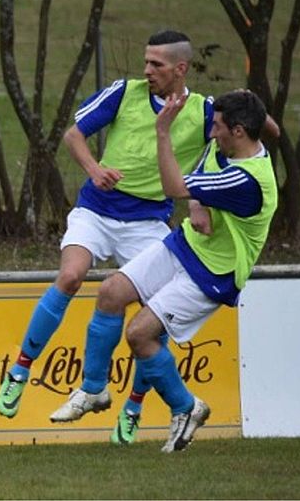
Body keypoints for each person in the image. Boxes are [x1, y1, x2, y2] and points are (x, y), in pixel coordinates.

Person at [0, 30, 215, 445]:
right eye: (146, 62)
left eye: (156, 65)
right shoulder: (124, 92)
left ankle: (132, 406)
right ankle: (20, 370)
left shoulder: (204, 112)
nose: (146, 70)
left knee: (151, 316)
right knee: (71, 276)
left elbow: (224, 149)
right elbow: (73, 135)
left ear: (180, 69)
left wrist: (198, 202)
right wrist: (95, 169)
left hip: (149, 220)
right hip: (97, 210)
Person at [57, 89, 277, 452]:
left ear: (239, 131)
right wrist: (197, 203)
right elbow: (208, 172)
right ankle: (93, 390)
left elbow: (174, 186)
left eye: (218, 127)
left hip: (213, 272)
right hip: (185, 244)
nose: (211, 132)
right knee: (111, 292)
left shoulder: (247, 179)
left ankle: (186, 407)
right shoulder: (228, 146)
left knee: (139, 334)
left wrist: (163, 132)